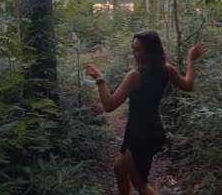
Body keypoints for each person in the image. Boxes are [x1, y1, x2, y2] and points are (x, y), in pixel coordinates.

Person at [85, 30, 206, 195]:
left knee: (140, 185)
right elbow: (188, 85)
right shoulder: (166, 69)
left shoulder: (135, 76)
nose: (133, 53)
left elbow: (110, 105)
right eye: (133, 48)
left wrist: (99, 78)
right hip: (151, 130)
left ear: (150, 52)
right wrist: (191, 60)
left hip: (139, 136)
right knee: (119, 168)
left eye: (137, 49)